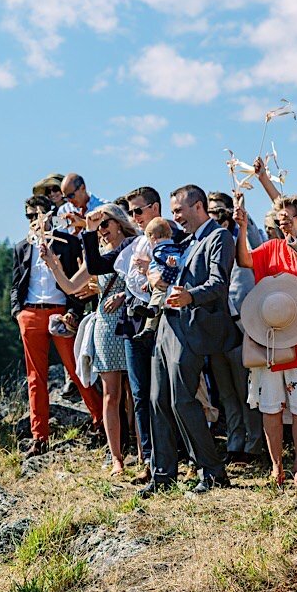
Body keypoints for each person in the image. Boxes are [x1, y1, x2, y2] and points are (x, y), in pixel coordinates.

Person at [142, 184, 236, 496]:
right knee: (158, 400)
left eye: (179, 210)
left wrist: (190, 296)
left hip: (192, 328)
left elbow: (219, 284)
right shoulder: (185, 240)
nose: (175, 217)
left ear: (198, 206)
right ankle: (163, 475)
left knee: (183, 400)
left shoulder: (219, 236)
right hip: (167, 326)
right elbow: (167, 269)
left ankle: (212, 472)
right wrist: (155, 277)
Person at [233, 196, 297, 485]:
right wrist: (241, 227)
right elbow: (245, 260)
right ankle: (276, 467)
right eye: (281, 219)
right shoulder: (272, 247)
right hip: (272, 337)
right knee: (270, 404)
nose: (284, 222)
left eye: (289, 217)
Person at [43, 203, 140, 475]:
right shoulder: (98, 254)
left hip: (132, 320)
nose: (102, 231)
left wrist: (125, 296)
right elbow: (72, 287)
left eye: (105, 224)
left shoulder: (134, 246)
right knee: (112, 394)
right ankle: (117, 458)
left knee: (136, 393)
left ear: (119, 223)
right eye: (99, 227)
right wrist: (53, 264)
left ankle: (144, 453)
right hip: (107, 326)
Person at [9, 194, 104, 457]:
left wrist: (74, 311)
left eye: (37, 214)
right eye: (29, 216)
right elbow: (16, 284)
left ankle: (100, 421)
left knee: (77, 369)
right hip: (30, 313)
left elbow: (79, 282)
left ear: (50, 214)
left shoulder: (68, 243)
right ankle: (39, 436)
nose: (33, 220)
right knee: (35, 378)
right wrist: (18, 313)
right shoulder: (21, 247)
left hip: (61, 312)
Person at [208, 189, 267, 466]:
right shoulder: (206, 246)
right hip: (217, 325)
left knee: (247, 388)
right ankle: (235, 441)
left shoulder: (242, 240)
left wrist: (244, 215)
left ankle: (254, 445)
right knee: (227, 391)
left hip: (241, 322)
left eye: (219, 211)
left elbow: (256, 247)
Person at [123, 186, 174, 476]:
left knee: (166, 392)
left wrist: (149, 269)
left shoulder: (170, 234)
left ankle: (176, 457)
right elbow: (99, 264)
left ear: (155, 208)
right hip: (133, 318)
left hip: (164, 319)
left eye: (138, 211)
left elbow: (174, 271)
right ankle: (149, 459)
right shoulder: (133, 243)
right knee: (141, 392)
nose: (134, 217)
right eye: (130, 212)